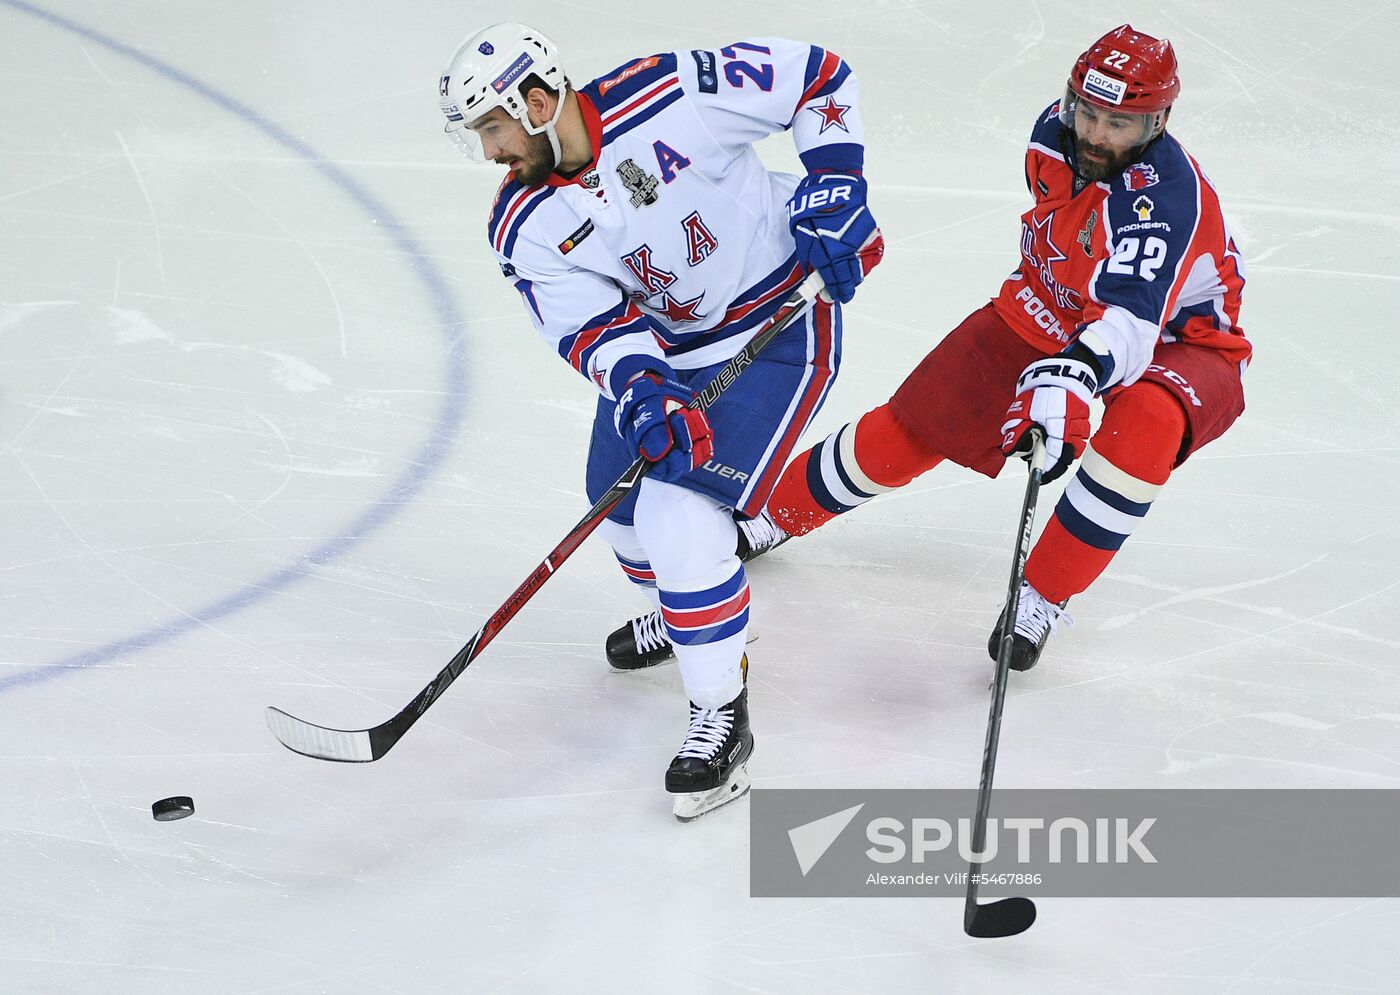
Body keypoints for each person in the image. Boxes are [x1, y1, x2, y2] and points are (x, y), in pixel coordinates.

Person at [608, 24, 1249, 675]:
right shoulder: (1051, 137)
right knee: (915, 423)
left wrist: (1076, 374)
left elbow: (1130, 321)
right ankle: (765, 519)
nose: (1094, 135)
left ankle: (1042, 593)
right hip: (1051, 305)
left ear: (1158, 123)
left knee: (1146, 424)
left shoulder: (1164, 202)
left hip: (1182, 341)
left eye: (1119, 123)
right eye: (1087, 110)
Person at [438, 24, 881, 819]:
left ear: (537, 103)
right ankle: (692, 613)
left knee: (680, 512)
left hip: (778, 324)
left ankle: (722, 711)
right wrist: (645, 390)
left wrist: (836, 184)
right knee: (614, 497)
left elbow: (819, 76)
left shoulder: (667, 94)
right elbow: (592, 327)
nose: (490, 153)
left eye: (494, 129)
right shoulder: (523, 222)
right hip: (673, 354)